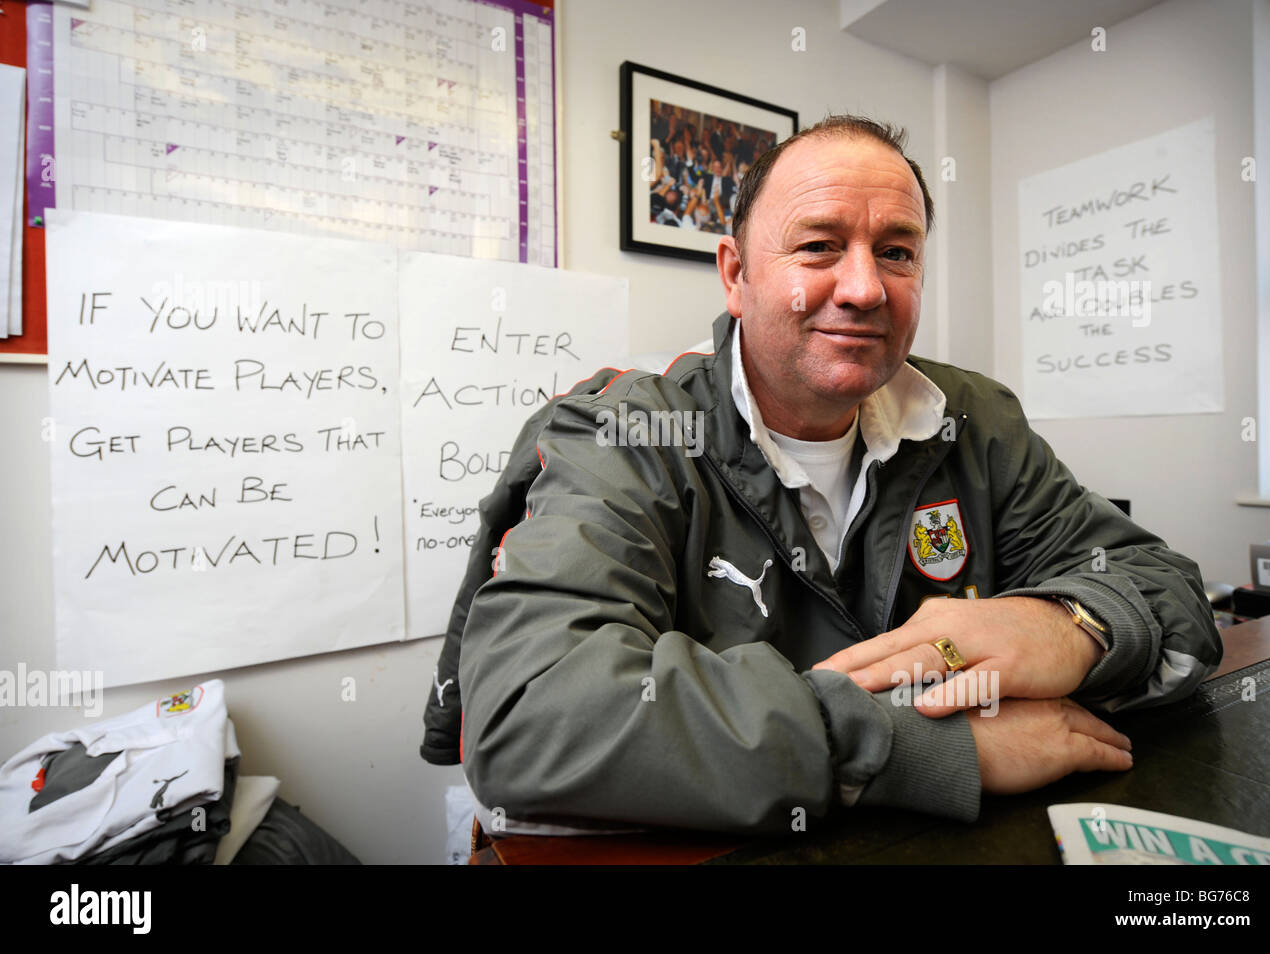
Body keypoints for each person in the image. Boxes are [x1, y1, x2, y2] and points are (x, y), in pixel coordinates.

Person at [421, 115, 1221, 835]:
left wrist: (1072, 627)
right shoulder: (628, 433)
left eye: (897, 252)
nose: (866, 287)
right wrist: (919, 743)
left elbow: (1167, 588)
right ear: (735, 274)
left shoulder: (974, 420)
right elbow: (534, 716)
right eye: (819, 246)